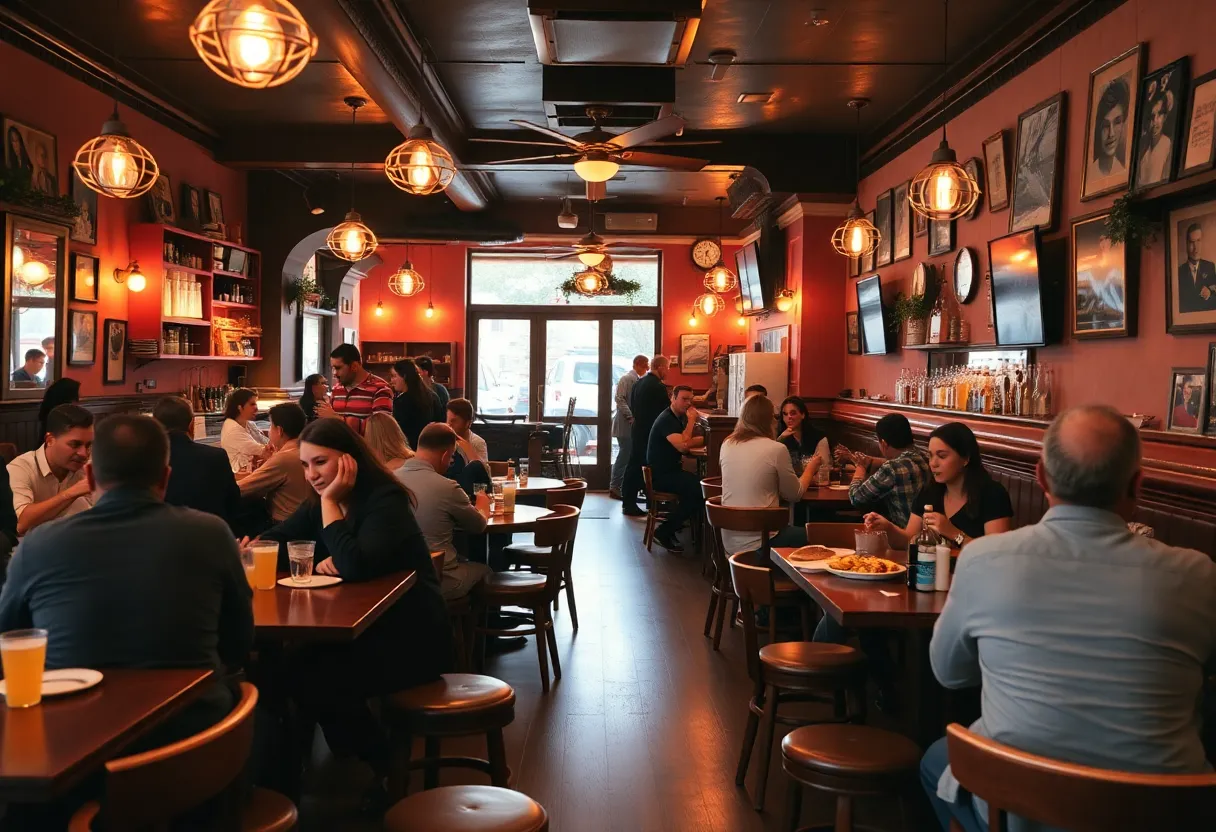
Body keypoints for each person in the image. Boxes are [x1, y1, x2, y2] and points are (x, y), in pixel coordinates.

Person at [920, 405, 1216, 832]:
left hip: (1018, 806)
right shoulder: (1199, 575)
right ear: (1138, 484)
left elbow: (949, 673)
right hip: (1160, 810)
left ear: (1040, 478)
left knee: (935, 760)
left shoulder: (985, 559)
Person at [0, 415, 252, 750]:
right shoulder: (212, 533)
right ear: (165, 478)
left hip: (71, 750)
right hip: (194, 749)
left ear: (90, 476)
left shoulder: (37, 545)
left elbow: (10, 642)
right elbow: (238, 643)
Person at [256, 419, 451, 792]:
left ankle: (385, 767)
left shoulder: (383, 501)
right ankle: (286, 779)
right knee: (285, 671)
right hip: (365, 630)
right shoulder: (318, 504)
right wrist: (254, 546)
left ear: (348, 460)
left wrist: (330, 504)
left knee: (312, 679)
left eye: (320, 463)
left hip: (411, 639)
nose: (311, 475)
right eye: (305, 465)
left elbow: (356, 563)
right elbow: (281, 538)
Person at [864, 422, 1013, 550]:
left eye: (942, 456)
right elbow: (909, 541)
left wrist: (954, 533)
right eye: (931, 456)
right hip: (930, 576)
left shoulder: (992, 495)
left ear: (966, 458)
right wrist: (888, 528)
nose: (933, 463)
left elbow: (996, 553)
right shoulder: (930, 492)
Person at [395, 423, 492, 601]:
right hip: (439, 578)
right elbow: (478, 526)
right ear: (446, 455)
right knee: (485, 570)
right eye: (451, 458)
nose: (450, 463)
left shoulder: (390, 479)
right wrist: (483, 506)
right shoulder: (447, 487)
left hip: (398, 579)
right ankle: (477, 627)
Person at [720, 395, 818, 554]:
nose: (775, 420)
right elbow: (795, 495)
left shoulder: (727, 444)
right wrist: (811, 468)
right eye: (773, 416)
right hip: (763, 541)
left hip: (729, 540)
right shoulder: (776, 449)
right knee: (822, 535)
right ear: (767, 420)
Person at [154, 396, 242, 532]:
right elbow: (234, 505)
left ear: (155, 425)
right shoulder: (216, 457)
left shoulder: (145, 460)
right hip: (212, 538)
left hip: (160, 540)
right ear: (192, 424)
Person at [8, 404, 94, 536]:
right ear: (50, 440)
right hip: (33, 550)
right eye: (75, 444)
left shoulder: (89, 466)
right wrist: (73, 492)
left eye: (88, 445)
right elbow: (20, 524)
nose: (84, 453)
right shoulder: (20, 468)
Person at [834, 413, 930, 529]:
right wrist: (867, 461)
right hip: (928, 534)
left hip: (903, 536)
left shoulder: (892, 468)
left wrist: (860, 468)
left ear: (883, 443)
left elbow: (856, 498)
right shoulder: (925, 457)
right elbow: (901, 462)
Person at [646, 385, 705, 552]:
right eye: (684, 399)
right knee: (701, 490)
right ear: (673, 398)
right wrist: (692, 421)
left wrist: (690, 441)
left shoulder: (676, 417)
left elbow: (695, 439)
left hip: (670, 471)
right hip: (661, 475)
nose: (688, 403)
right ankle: (665, 531)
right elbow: (683, 447)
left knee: (696, 491)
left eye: (690, 400)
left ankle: (671, 527)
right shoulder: (667, 419)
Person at [238, 402, 310, 524]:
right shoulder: (307, 449)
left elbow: (240, 489)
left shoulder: (284, 458)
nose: (269, 432)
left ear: (279, 430)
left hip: (285, 526)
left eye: (271, 426)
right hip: (306, 523)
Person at [622, 355, 670, 517]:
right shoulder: (658, 387)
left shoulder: (638, 383)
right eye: (667, 368)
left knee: (633, 465)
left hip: (638, 429)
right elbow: (665, 413)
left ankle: (628, 501)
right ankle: (645, 503)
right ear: (661, 367)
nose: (668, 371)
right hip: (649, 432)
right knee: (643, 467)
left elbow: (633, 406)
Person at [318, 344, 393, 435]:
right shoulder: (337, 389)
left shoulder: (380, 389)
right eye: (332, 368)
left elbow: (381, 428)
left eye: (338, 368)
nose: (334, 373)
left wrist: (338, 420)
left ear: (354, 366)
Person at [610, 354, 648, 499]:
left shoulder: (635, 379)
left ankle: (622, 487)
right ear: (638, 365)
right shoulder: (627, 379)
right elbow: (619, 399)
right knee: (625, 455)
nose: (647, 369)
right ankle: (615, 486)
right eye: (645, 365)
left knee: (627, 454)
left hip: (628, 423)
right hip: (625, 424)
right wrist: (630, 415)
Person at [389, 357, 442, 449]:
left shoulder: (401, 401)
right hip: (431, 449)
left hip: (407, 450)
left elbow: (397, 433)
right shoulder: (432, 396)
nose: (392, 381)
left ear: (404, 376)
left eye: (395, 376)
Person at [1087, 76, 1130, 186]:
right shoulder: (1092, 176)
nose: (1111, 133)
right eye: (1105, 125)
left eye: (1117, 122)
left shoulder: (1123, 171)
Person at [220, 388, 271, 472]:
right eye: (252, 404)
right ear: (240, 407)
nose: (256, 408)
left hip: (253, 473)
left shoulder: (250, 424)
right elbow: (262, 451)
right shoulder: (233, 430)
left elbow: (265, 443)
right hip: (238, 478)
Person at [778, 396, 831, 474]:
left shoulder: (819, 437)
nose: (789, 417)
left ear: (803, 415)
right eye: (785, 414)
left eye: (793, 413)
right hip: (788, 482)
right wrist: (780, 439)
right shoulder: (779, 438)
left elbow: (824, 469)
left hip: (813, 482)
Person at [1136, 86, 1174, 188]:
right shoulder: (1143, 147)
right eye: (1152, 116)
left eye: (1160, 115)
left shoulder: (1168, 145)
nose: (1155, 122)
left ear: (1165, 117)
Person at [1177, 223, 1216, 313]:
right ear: (1186, 244)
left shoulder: (1210, 267)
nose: (1196, 248)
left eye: (1198, 241)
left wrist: (1210, 292)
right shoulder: (1179, 272)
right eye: (1192, 242)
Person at [445, 397, 488, 466]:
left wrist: (467, 448)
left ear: (468, 423)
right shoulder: (444, 439)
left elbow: (485, 473)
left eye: (454, 421)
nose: (449, 425)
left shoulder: (477, 442)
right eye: (448, 420)